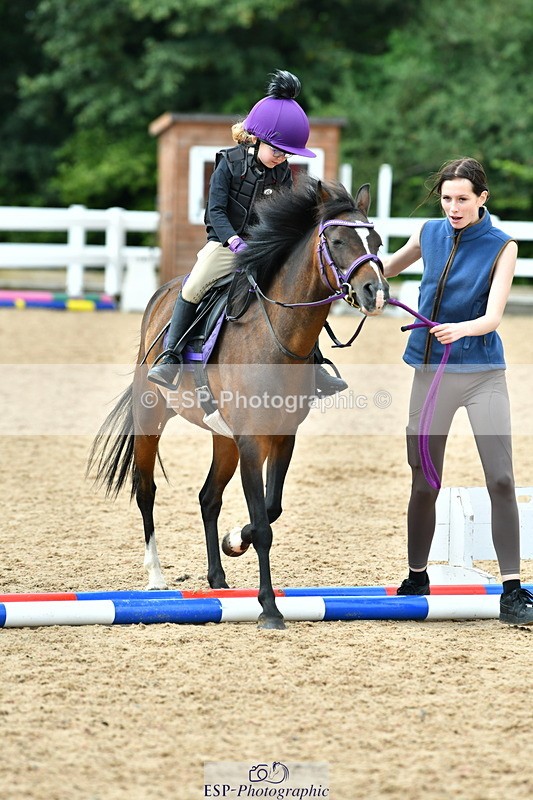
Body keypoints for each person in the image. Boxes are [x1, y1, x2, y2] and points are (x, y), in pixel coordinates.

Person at [384, 157, 533, 626]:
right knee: (424, 480)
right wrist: (356, 279)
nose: (453, 207)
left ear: (481, 199)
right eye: (447, 198)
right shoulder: (428, 233)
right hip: (429, 373)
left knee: (502, 480)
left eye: (462, 199)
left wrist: (459, 329)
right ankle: (416, 576)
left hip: (483, 372)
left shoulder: (501, 246)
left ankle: (512, 590)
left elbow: (492, 317)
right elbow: (384, 269)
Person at [147, 69, 347, 397]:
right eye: (278, 149)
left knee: (298, 291)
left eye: (287, 152)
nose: (282, 156)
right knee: (195, 284)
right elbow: (214, 212)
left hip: (263, 247)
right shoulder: (228, 163)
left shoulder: (282, 172)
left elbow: (279, 216)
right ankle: (170, 356)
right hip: (226, 244)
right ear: (257, 138)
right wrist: (233, 240)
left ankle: (315, 364)